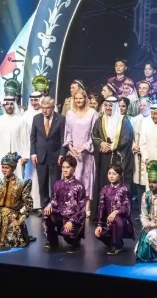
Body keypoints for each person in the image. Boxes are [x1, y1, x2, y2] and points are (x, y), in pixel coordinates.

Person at [91, 96, 135, 217]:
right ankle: (102, 214)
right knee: (103, 181)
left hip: (118, 157)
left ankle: (117, 213)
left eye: (111, 106)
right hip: (104, 157)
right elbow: (94, 135)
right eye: (106, 105)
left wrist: (113, 146)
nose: (108, 108)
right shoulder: (100, 120)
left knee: (117, 182)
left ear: (115, 106)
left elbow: (127, 138)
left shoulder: (123, 120)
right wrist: (101, 144)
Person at [0, 152, 34, 250]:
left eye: (7, 168)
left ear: (13, 168)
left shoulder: (21, 184)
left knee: (13, 240)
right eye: (3, 167)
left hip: (13, 216)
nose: (4, 170)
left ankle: (11, 233)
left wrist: (20, 220)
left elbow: (29, 205)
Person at [64, 88, 97, 216]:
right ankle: (72, 205)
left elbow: (94, 134)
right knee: (73, 177)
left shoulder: (92, 113)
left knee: (86, 179)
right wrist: (70, 146)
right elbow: (67, 132)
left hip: (86, 152)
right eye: (76, 98)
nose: (78, 101)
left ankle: (86, 207)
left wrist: (85, 147)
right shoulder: (70, 113)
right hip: (73, 152)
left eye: (81, 98)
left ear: (85, 99)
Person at [42, 155, 86, 250]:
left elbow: (82, 210)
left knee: (68, 237)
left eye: (68, 167)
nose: (65, 170)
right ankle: (52, 240)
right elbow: (54, 200)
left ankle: (75, 239)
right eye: (63, 167)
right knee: (46, 214)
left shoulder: (79, 186)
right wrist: (49, 205)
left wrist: (71, 221)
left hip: (73, 219)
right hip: (60, 216)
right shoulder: (57, 184)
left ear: (74, 168)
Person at [30, 96, 66, 208]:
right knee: (42, 185)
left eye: (47, 108)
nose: (45, 110)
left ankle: (54, 208)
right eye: (43, 108)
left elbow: (63, 139)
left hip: (55, 156)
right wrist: (33, 153)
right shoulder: (36, 118)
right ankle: (44, 207)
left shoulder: (61, 119)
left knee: (55, 184)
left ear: (53, 107)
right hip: (40, 156)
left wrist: (62, 154)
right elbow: (33, 137)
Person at [94, 164, 135, 255]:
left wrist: (116, 212)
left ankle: (117, 246)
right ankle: (114, 243)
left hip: (122, 220)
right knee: (98, 233)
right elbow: (101, 207)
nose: (111, 176)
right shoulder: (104, 189)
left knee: (116, 220)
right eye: (109, 173)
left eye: (114, 174)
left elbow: (127, 208)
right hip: (108, 220)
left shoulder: (124, 189)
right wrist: (99, 224)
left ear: (120, 175)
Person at [0, 95, 28, 178]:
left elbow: (26, 139)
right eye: (7, 104)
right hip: (1, 154)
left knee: (17, 177)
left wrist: (25, 156)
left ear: (14, 105)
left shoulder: (21, 121)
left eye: (11, 104)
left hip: (17, 155)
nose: (9, 106)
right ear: (4, 106)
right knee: (1, 178)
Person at [22, 91, 44, 210]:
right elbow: (24, 137)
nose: (35, 103)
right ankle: (28, 203)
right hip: (30, 151)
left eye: (37, 100)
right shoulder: (26, 115)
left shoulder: (46, 112)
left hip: (43, 150)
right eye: (32, 100)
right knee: (29, 175)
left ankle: (41, 204)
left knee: (41, 177)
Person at [131, 97, 152, 203]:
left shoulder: (152, 119)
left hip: (148, 154)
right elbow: (131, 135)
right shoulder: (135, 119)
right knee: (138, 181)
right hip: (137, 154)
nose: (142, 107)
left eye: (144, 105)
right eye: (141, 105)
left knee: (148, 180)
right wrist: (134, 146)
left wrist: (144, 149)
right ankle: (140, 207)